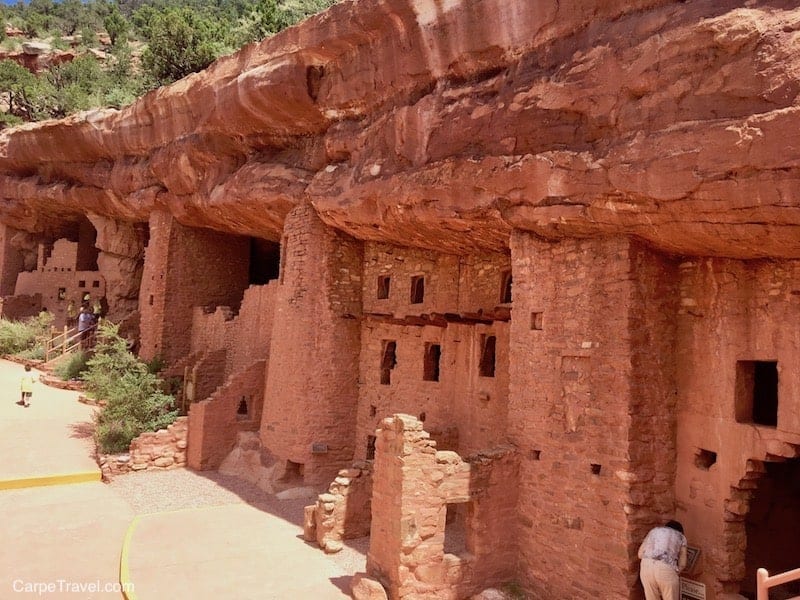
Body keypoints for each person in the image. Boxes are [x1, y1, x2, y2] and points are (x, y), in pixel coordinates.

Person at [638, 520, 688, 600]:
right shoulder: (681, 536)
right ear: (680, 531)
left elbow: (640, 554)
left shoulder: (654, 531)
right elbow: (682, 563)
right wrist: (676, 572)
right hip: (666, 568)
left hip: (646, 566)